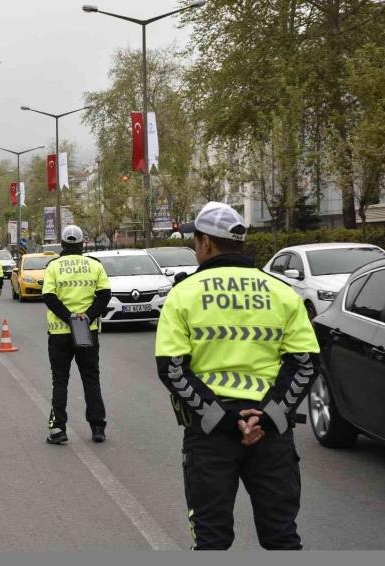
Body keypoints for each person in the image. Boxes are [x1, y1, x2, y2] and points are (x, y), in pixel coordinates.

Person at [155, 201, 320, 551]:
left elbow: (172, 369)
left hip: (210, 435)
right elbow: (305, 364)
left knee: (212, 540)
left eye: (194, 241)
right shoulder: (282, 293)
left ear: (206, 243)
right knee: (282, 538)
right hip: (272, 435)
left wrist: (225, 421)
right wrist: (267, 416)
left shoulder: (184, 294)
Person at [41, 225, 112, 445]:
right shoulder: (94, 265)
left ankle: (58, 429)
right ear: (83, 244)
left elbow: (49, 297)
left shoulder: (53, 266)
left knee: (60, 380)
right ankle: (98, 427)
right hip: (86, 331)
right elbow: (104, 295)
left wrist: (69, 317)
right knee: (91, 378)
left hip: (60, 332)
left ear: (62, 244)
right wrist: (86, 317)